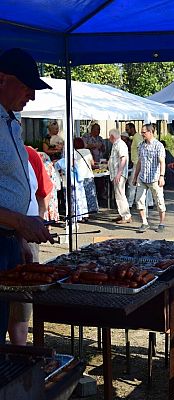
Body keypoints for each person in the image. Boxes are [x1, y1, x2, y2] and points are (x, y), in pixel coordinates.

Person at [0, 47, 54, 344]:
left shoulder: (11, 122)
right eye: (26, 86)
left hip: (7, 241)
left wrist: (18, 235)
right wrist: (19, 222)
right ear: (1, 80)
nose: (31, 96)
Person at [9, 146, 53, 345]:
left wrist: (38, 221)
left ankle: (20, 351)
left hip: (26, 237)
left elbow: (44, 192)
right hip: (9, 234)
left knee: (22, 305)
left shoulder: (30, 154)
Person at [133, 124, 166, 233]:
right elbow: (139, 162)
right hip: (142, 177)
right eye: (142, 132)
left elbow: (162, 162)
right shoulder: (141, 145)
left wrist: (161, 176)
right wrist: (135, 176)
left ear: (150, 132)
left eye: (144, 132)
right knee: (139, 200)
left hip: (154, 178)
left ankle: (161, 223)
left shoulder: (158, 146)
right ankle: (144, 222)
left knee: (159, 201)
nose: (142, 134)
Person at [108, 129, 131, 224]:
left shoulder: (120, 144)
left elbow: (123, 159)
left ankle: (126, 215)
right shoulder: (116, 144)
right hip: (116, 174)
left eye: (109, 136)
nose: (109, 138)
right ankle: (122, 213)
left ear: (112, 136)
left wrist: (118, 173)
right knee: (119, 195)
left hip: (119, 174)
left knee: (120, 195)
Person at [73, 137, 98, 216]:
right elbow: (92, 163)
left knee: (81, 196)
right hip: (88, 175)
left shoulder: (74, 152)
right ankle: (92, 210)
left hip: (79, 176)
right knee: (90, 194)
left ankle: (83, 212)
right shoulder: (87, 151)